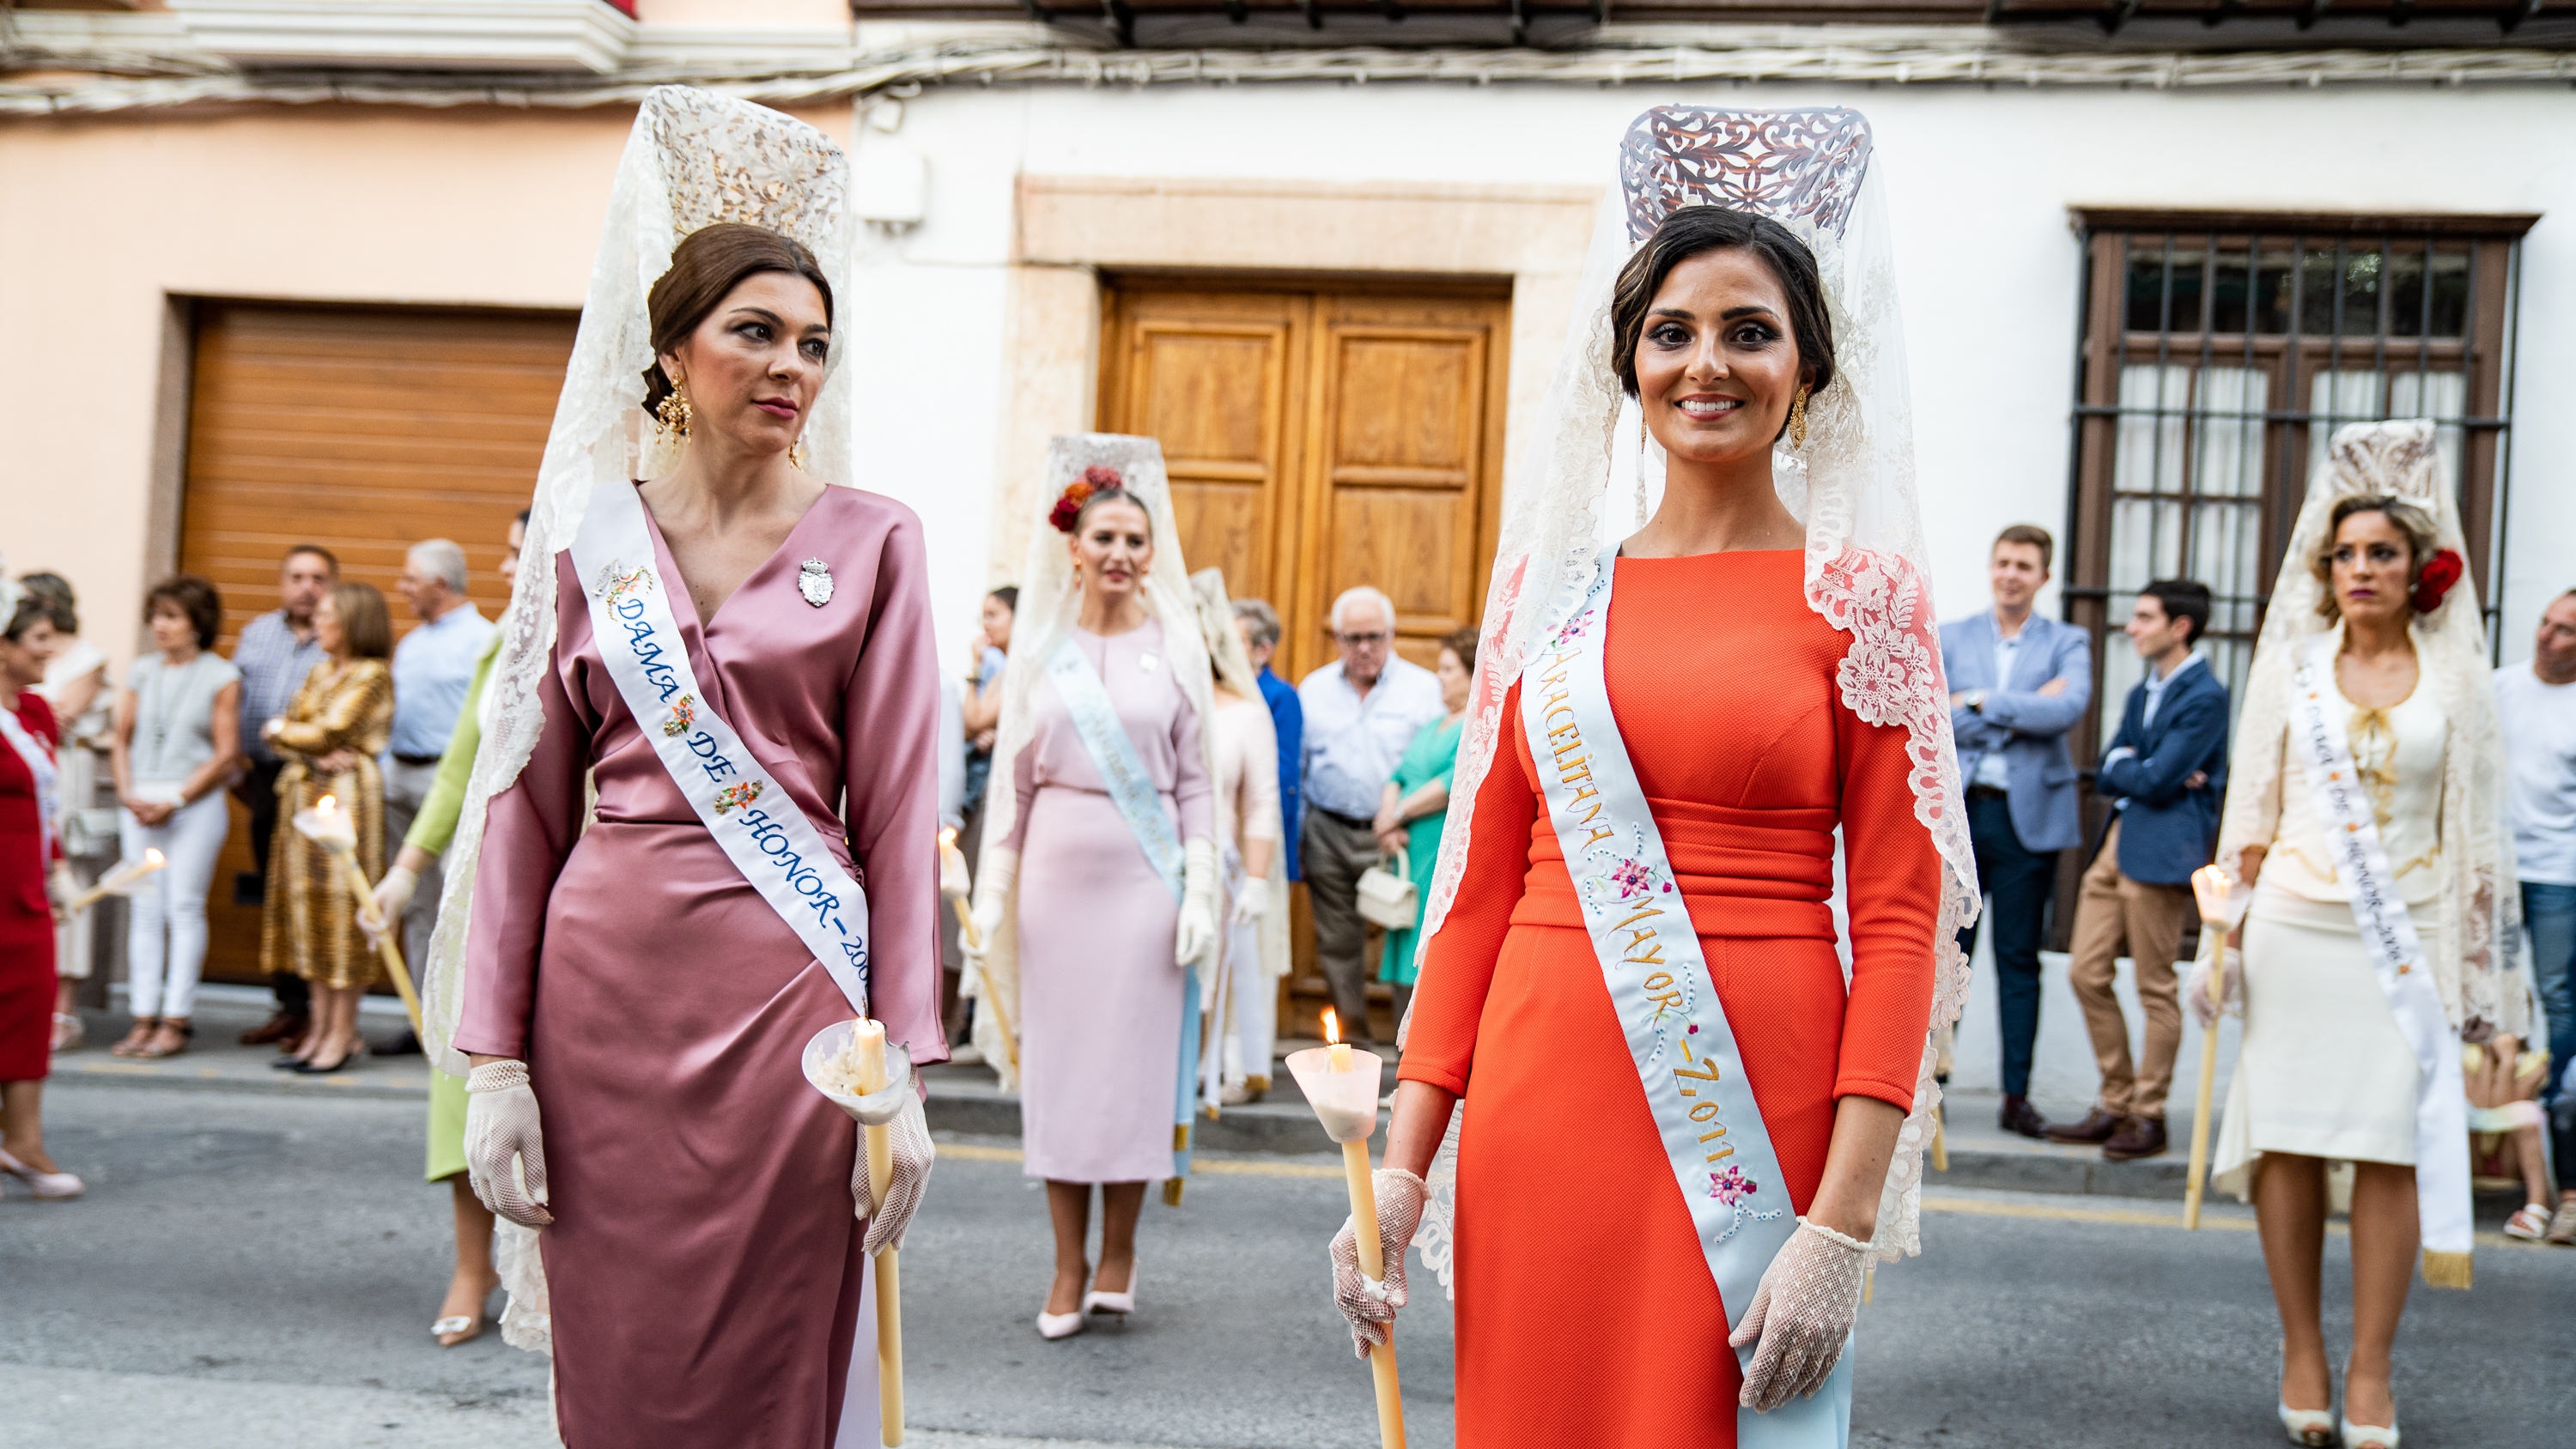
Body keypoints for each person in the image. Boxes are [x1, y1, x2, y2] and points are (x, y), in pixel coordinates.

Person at [1334, 108, 1970, 1447]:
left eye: (1750, 331)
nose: (1707, 364)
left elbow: (1906, 918)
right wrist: (1404, 1164)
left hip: (1759, 1101)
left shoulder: (1864, 600)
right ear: (1627, 363)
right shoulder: (1546, 596)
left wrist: (1842, 1227)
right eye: (1672, 331)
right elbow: (1480, 895)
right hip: (1543, 1086)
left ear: (1810, 368)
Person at [425, 94, 939, 1443]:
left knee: (776, 1353)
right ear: (671, 350)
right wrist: (495, 1065)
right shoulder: (588, 544)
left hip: (794, 1003)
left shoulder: (879, 541)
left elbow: (893, 818)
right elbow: (524, 816)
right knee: (619, 1360)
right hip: (600, 1005)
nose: (790, 368)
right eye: (755, 332)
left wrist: (910, 1069)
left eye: (814, 344)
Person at [2203, 420, 2519, 1449]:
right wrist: (2225, 935)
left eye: (2382, 551)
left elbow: (2475, 837)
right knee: (2288, 1143)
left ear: (2418, 566)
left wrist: (2487, 997)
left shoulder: (2458, 676)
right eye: (2345, 553)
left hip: (2410, 935)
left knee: (2392, 1148)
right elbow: (2252, 805)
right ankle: (2303, 1348)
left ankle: (2372, 1364)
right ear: (2323, 565)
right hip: (2296, 927)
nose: (2362, 568)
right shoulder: (2292, 668)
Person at [963, 434, 1219, 1339]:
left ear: (1152, 554)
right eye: (1103, 536)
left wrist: (1197, 894)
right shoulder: (1041, 653)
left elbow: (1193, 782)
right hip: (1056, 888)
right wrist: (991, 891)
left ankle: (1121, 1251)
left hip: (1146, 885)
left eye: (1134, 540)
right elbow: (1012, 789)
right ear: (1074, 546)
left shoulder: (1176, 653)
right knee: (1066, 1078)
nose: (1119, 553)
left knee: (1134, 1075)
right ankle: (1067, 1263)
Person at [369, 511, 523, 1345]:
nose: (501, 565)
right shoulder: (499, 647)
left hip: (580, 893)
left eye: (514, 548)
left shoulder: (627, 639)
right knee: (464, 1076)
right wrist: (402, 875)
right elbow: (458, 771)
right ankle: (473, 1263)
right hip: (482, 889)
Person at [2045, 580, 2229, 1161]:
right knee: (2085, 971)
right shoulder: (2139, 692)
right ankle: (2116, 1098)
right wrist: (2139, 766)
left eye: (2145, 618)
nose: (2131, 628)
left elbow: (2154, 776)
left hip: (2162, 850)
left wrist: (2140, 767)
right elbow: (2116, 766)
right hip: (2117, 843)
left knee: (2154, 986)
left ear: (2181, 627)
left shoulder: (2206, 695)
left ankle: (2149, 1115)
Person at [1940, 523, 2091, 1137]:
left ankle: (2017, 1095)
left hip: (2029, 820)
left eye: (2024, 566)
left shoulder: (2068, 642)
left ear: (2043, 577)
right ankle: (1934, 1087)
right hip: (1963, 816)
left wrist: (1974, 703)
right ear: (1991, 567)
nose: (2011, 574)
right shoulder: (1952, 636)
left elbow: (2066, 708)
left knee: (2018, 960)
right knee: (1949, 957)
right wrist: (2007, 707)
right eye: (2003, 562)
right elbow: (1935, 719)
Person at [258, 581, 394, 1076]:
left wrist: (280, 730)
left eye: (328, 613)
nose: (317, 619)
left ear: (352, 622)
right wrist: (294, 739)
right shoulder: (319, 671)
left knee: (344, 909)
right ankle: (319, 1028)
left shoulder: (371, 674)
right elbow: (306, 739)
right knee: (308, 908)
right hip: (305, 795)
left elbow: (326, 733)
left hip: (350, 800)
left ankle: (342, 1032)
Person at [105, 576, 241, 1061]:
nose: (159, 626)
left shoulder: (221, 675)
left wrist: (177, 799)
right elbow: (121, 737)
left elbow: (225, 754)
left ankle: (175, 1020)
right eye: (156, 615)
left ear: (197, 624)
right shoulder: (142, 671)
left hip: (193, 804)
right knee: (143, 908)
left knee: (182, 907)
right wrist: (126, 792)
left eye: (171, 616)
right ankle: (143, 1017)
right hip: (140, 800)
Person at [1298, 585, 1443, 1043]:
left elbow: (1435, 764)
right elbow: (1301, 766)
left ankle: (1413, 1051)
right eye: (1353, 637)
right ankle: (1355, 1047)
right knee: (1338, 944)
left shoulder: (1424, 690)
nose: (1364, 648)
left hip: (1401, 836)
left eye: (1374, 637)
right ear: (1337, 638)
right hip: (1329, 829)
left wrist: (1400, 820)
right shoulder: (1314, 689)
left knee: (1407, 942)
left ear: (1393, 635)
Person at [382, 538, 495, 1016]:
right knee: (412, 903)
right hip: (399, 777)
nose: (402, 588)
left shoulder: (481, 640)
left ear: (439, 584)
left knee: (454, 900)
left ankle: (457, 1016)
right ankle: (420, 1014)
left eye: (411, 579)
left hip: (445, 785)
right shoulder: (410, 643)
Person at [230, 543, 337, 1051]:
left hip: (317, 784)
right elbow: (233, 703)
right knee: (274, 895)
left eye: (317, 578)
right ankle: (289, 1007)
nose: (307, 587)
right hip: (262, 779)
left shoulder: (341, 640)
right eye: (297, 576)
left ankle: (322, 1016)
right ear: (282, 582)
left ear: (331, 585)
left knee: (312, 893)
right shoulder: (255, 634)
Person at [2497, 588, 2576, 1245]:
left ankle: (2553, 1113)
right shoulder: (2499, 688)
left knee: (2557, 997)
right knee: (2488, 993)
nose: (2548, 638)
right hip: (2495, 867)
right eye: (2546, 624)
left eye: (2566, 632)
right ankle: (2494, 1114)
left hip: (2560, 873)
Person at [1191, 567, 1286, 1107]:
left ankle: (1193, 1088)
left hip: (1219, 870)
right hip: (1149, 868)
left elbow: (1260, 803)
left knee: (1205, 992)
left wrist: (1254, 880)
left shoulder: (1247, 714)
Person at [1, 577, 82, 1200]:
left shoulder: (37, 712)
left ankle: (24, 1141)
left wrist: (57, 871)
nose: (49, 652)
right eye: (37, 641)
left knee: (30, 1007)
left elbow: (47, 803)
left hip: (25, 884)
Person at [21, 574, 107, 1053]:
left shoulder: (86, 658)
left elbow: (59, 717)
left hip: (64, 775)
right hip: (25, 763)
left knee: (68, 880)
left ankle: (64, 1008)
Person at [1372, 627, 1473, 1030]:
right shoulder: (1433, 724)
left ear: (1472, 672)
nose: (1440, 677)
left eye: (1448, 669)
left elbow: (1450, 784)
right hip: (1405, 854)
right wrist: (1386, 821)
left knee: (1427, 957)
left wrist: (1399, 814)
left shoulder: (1476, 725)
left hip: (1437, 854)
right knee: (1402, 948)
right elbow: (1397, 773)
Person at [946, 585, 1015, 1046]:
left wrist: (973, 670)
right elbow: (976, 723)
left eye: (994, 615)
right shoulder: (998, 669)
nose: (984, 626)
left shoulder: (1013, 669)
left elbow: (971, 720)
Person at [1233, 597, 1303, 886]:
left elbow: (1282, 772)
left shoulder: (1280, 696)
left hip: (1257, 821)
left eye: (1233, 640)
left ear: (1263, 650)